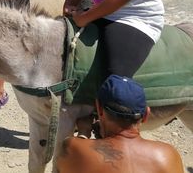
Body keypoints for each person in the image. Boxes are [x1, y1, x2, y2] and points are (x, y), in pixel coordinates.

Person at [57, 74, 185, 173]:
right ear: (146, 115)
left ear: (99, 109)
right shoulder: (168, 155)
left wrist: (83, 133)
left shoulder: (74, 148)